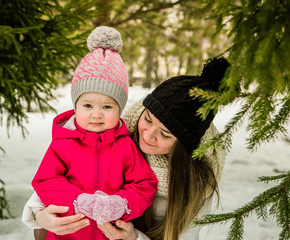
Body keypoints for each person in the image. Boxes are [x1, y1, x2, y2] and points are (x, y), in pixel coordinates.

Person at [23, 50, 230, 239]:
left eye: (165, 134)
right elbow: (47, 182)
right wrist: (40, 215)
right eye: (147, 120)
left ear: (184, 146)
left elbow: (143, 187)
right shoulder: (113, 133)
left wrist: (130, 228)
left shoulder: (196, 184)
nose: (147, 136)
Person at [29, 26, 158, 240]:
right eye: (88, 106)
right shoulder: (63, 143)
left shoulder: (125, 145)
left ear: (119, 109)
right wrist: (76, 201)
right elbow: (46, 181)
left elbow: (144, 185)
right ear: (76, 106)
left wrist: (122, 203)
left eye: (107, 107)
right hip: (67, 234)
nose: (96, 114)